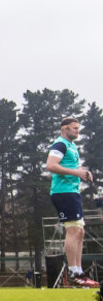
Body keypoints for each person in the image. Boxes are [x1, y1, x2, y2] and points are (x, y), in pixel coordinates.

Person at [45, 117, 98, 288]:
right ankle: (75, 272)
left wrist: (83, 172)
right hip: (63, 192)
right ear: (65, 128)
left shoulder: (72, 146)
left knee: (80, 232)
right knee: (73, 230)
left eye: (78, 128)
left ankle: (79, 271)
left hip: (73, 192)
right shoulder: (60, 144)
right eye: (74, 128)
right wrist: (75, 173)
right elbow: (51, 165)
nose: (77, 131)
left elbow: (72, 167)